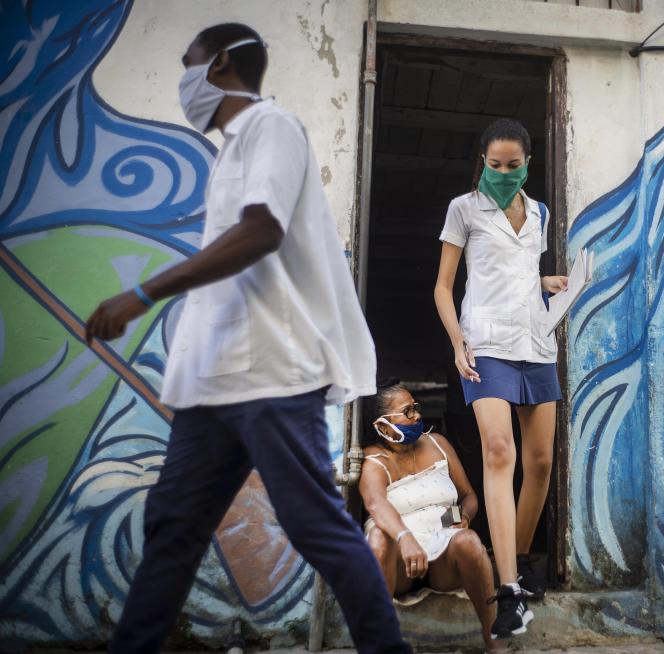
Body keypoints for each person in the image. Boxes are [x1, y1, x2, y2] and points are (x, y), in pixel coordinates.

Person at [84, 23, 409, 654]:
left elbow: (261, 230)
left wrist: (143, 293)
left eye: (189, 62)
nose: (184, 80)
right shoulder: (229, 151)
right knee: (173, 528)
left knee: (315, 527)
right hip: (212, 383)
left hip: (272, 372)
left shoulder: (272, 128)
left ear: (222, 63)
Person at [433, 118, 567, 639]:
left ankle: (521, 560)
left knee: (538, 463)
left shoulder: (540, 213)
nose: (505, 174)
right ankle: (507, 589)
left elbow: (511, 271)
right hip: (484, 346)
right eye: (496, 165)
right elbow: (444, 288)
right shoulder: (463, 209)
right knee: (499, 453)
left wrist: (545, 281)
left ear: (528, 164)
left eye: (514, 166)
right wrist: (457, 343)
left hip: (534, 342)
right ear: (482, 163)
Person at [359, 384, 504, 652]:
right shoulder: (373, 459)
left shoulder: (438, 444)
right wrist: (405, 538)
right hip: (398, 562)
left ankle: (492, 638)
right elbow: (374, 503)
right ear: (383, 426)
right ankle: (379, 643)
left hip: (441, 554)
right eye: (407, 411)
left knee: (470, 541)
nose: (416, 416)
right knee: (379, 535)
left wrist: (461, 518)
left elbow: (468, 496)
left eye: (416, 407)